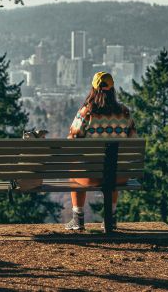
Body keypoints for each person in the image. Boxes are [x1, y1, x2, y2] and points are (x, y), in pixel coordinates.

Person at [64, 71, 137, 231]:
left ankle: (78, 218)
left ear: (93, 89)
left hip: (92, 176)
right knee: (113, 168)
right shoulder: (124, 112)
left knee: (74, 171)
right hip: (120, 176)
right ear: (112, 89)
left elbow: (72, 141)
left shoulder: (87, 113)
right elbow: (133, 140)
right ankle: (110, 219)